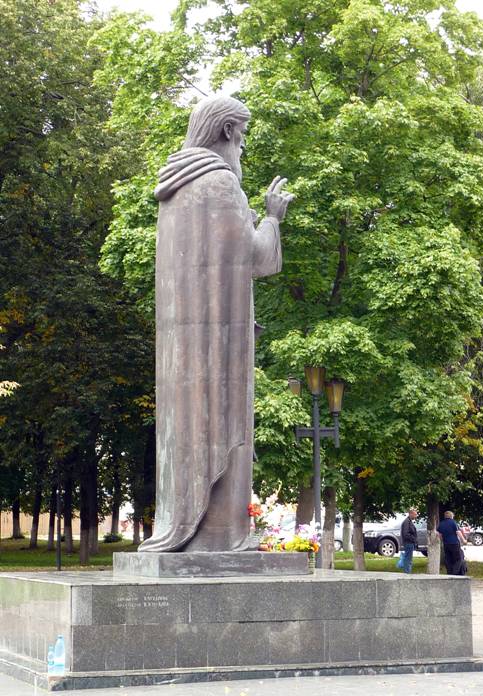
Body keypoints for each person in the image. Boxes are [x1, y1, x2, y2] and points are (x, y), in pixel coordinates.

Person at [138, 96, 294, 553]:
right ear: (227, 132)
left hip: (184, 348)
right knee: (223, 426)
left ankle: (200, 530)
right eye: (242, 138)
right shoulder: (220, 184)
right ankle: (222, 538)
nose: (242, 149)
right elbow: (256, 259)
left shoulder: (177, 189)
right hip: (216, 347)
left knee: (189, 431)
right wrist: (271, 216)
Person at [437, 511, 467, 575]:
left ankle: (449, 573)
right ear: (451, 516)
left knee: (448, 559)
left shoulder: (441, 523)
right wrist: (464, 540)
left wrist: (443, 540)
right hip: (454, 543)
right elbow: (458, 532)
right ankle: (454, 573)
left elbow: (439, 535)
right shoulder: (453, 522)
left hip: (446, 544)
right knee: (458, 559)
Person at [400, 509, 418, 573]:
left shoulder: (409, 521)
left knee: (408, 558)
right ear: (411, 514)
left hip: (409, 543)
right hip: (408, 543)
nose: (416, 516)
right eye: (415, 514)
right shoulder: (407, 522)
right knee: (408, 559)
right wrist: (413, 539)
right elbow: (406, 534)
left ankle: (407, 572)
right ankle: (407, 572)